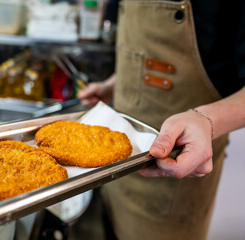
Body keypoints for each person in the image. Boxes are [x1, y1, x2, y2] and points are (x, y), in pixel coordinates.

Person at [78, 0, 245, 239]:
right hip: (112, 171)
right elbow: (144, 51)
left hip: (174, 185)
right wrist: (116, 84)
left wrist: (207, 119)